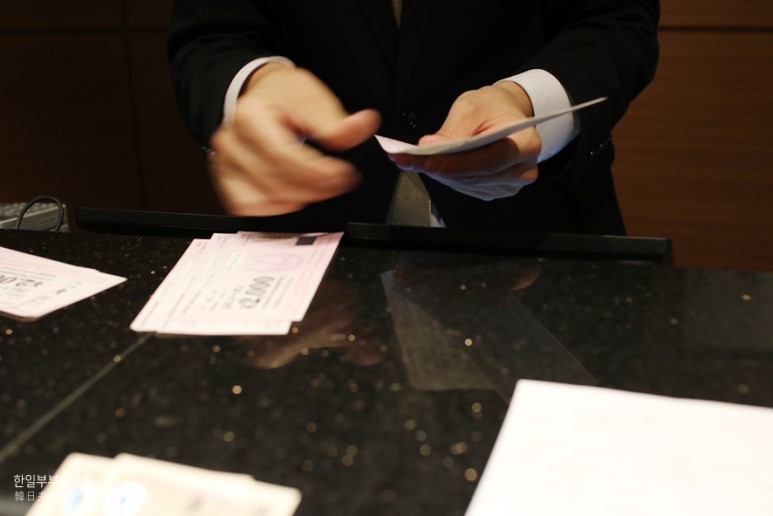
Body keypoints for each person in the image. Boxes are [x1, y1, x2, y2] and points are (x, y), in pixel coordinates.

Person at [168, 0, 659, 234]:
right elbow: (211, 34)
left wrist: (528, 101)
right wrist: (256, 84)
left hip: (539, 236)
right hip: (305, 250)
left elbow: (615, 20)